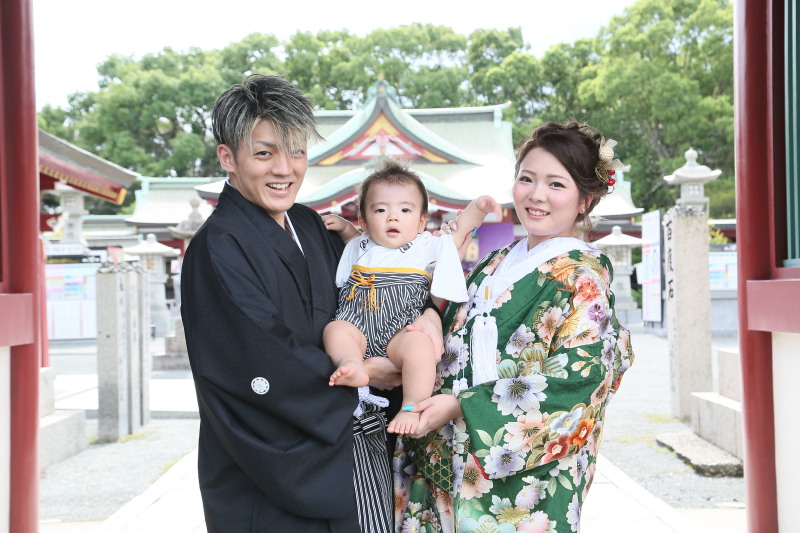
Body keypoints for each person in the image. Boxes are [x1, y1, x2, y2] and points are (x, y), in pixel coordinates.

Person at [180, 74, 441, 533]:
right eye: (264, 153)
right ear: (229, 158)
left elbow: (370, 296)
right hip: (272, 468)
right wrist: (370, 374)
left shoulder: (308, 223)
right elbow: (262, 357)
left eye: (296, 151)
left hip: (349, 450)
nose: (285, 169)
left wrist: (426, 319)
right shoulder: (217, 247)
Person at [393, 120, 636, 533]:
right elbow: (447, 319)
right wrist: (433, 313)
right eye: (527, 179)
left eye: (556, 185)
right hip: (445, 452)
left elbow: (581, 383)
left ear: (585, 200)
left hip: (520, 479)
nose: (536, 195)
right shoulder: (495, 261)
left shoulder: (583, 277)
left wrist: (462, 405)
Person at [322, 159, 501, 435]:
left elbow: (460, 229)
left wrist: (478, 208)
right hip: (356, 321)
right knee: (335, 329)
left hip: (401, 328)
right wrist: (344, 227)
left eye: (405, 210)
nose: (392, 217)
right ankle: (351, 363)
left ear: (421, 222)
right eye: (380, 210)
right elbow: (351, 238)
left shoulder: (427, 245)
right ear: (364, 220)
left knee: (420, 346)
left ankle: (412, 407)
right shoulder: (361, 244)